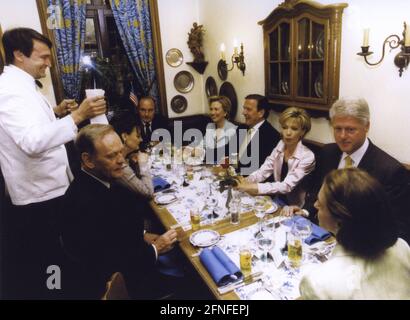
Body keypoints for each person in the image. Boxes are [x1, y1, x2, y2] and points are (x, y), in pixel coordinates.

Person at [0, 27, 106, 299]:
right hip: (39, 197)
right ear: (19, 55)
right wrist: (78, 116)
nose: (49, 63)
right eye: (43, 57)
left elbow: (32, 129)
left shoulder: (23, 87)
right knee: (52, 262)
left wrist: (56, 113)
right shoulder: (10, 91)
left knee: (64, 256)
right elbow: (32, 142)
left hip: (51, 189)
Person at [60, 124, 178, 299]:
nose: (122, 160)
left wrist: (143, 234)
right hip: (120, 285)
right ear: (88, 160)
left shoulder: (99, 180)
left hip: (129, 259)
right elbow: (115, 262)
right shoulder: (86, 202)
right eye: (111, 156)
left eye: (120, 152)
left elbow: (116, 231)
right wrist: (156, 248)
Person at [283, 98, 409, 243]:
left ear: (366, 126)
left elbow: (397, 229)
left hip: (362, 248)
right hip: (321, 237)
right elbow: (316, 193)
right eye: (337, 129)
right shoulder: (327, 152)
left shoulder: (390, 171)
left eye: (350, 129)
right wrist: (305, 211)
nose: (342, 136)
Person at [299, 168, 410, 299]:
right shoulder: (402, 246)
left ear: (339, 220)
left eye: (321, 204)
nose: (316, 205)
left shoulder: (317, 283)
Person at [236, 107, 315, 207]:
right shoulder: (281, 144)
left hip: (295, 207)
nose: (288, 133)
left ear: (303, 132)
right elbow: (264, 171)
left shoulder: (308, 156)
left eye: (294, 129)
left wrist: (252, 187)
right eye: (285, 127)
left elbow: (286, 186)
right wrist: (247, 180)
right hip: (277, 200)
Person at [234, 94, 280, 176]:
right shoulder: (242, 128)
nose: (243, 112)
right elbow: (229, 150)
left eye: (248, 109)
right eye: (244, 108)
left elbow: (259, 169)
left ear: (261, 113)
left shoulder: (271, 136)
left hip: (249, 182)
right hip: (231, 174)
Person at [110, 111, 154, 198]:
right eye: (138, 136)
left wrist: (134, 162)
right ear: (125, 136)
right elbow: (148, 192)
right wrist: (143, 164)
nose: (141, 140)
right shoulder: (119, 165)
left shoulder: (125, 157)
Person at [203, 95, 237, 163]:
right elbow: (203, 145)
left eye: (216, 109)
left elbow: (231, 157)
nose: (212, 113)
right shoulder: (209, 126)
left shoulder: (233, 130)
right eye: (211, 109)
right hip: (207, 165)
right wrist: (189, 148)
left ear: (225, 112)